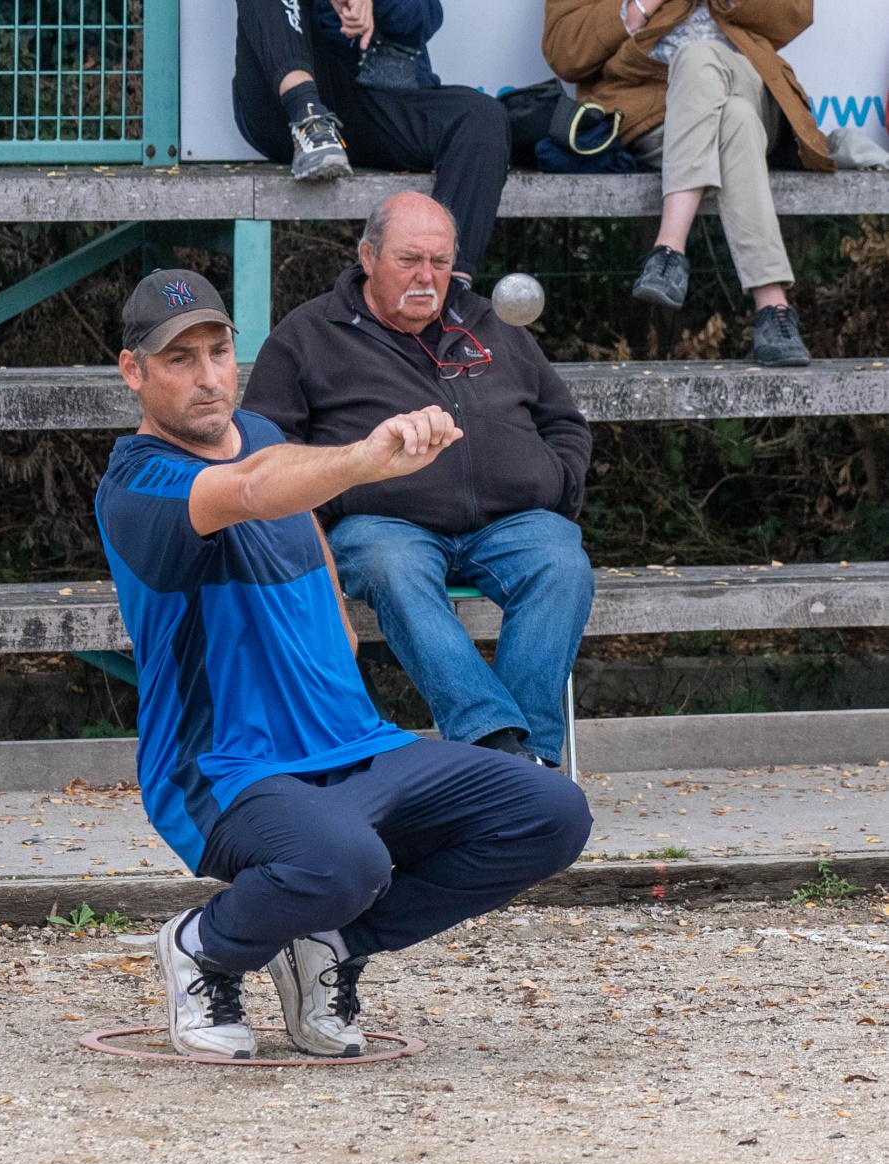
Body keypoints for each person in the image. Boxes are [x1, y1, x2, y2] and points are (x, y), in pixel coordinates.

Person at [96, 268, 592, 1059]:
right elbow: (253, 490)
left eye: (218, 352)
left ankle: (328, 944)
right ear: (134, 372)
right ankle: (205, 947)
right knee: (343, 860)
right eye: (179, 359)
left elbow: (286, 491)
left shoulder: (258, 433)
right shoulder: (138, 483)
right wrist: (364, 459)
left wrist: (329, 597)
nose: (207, 376)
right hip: (224, 770)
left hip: (353, 743)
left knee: (549, 811)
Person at [242, 192, 593, 769]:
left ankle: (524, 762)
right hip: (383, 525)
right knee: (391, 565)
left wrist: (556, 484)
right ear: (368, 256)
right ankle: (493, 746)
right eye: (409, 261)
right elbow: (265, 449)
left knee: (562, 561)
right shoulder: (308, 335)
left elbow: (563, 421)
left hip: (512, 522)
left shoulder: (490, 322)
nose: (428, 277)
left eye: (441, 262)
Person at [543, 0, 834, 367]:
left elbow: (793, 14)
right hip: (651, 111)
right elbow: (563, 51)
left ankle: (668, 250)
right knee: (735, 120)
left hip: (747, 83)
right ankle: (773, 306)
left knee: (700, 58)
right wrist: (639, 7)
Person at [232, 0, 510, 280]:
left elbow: (425, 17)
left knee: (483, 118)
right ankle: (310, 120)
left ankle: (448, 294)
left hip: (371, 103)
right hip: (288, 106)